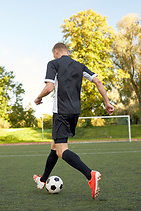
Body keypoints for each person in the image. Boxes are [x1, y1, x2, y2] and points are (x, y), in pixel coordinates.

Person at [33, 42, 114, 199]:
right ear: (67, 51)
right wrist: (107, 102)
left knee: (61, 150)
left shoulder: (53, 63)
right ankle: (43, 180)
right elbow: (98, 82)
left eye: (54, 54)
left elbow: (49, 88)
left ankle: (90, 175)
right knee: (55, 145)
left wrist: (38, 97)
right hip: (75, 112)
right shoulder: (80, 65)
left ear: (56, 52)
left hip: (61, 111)